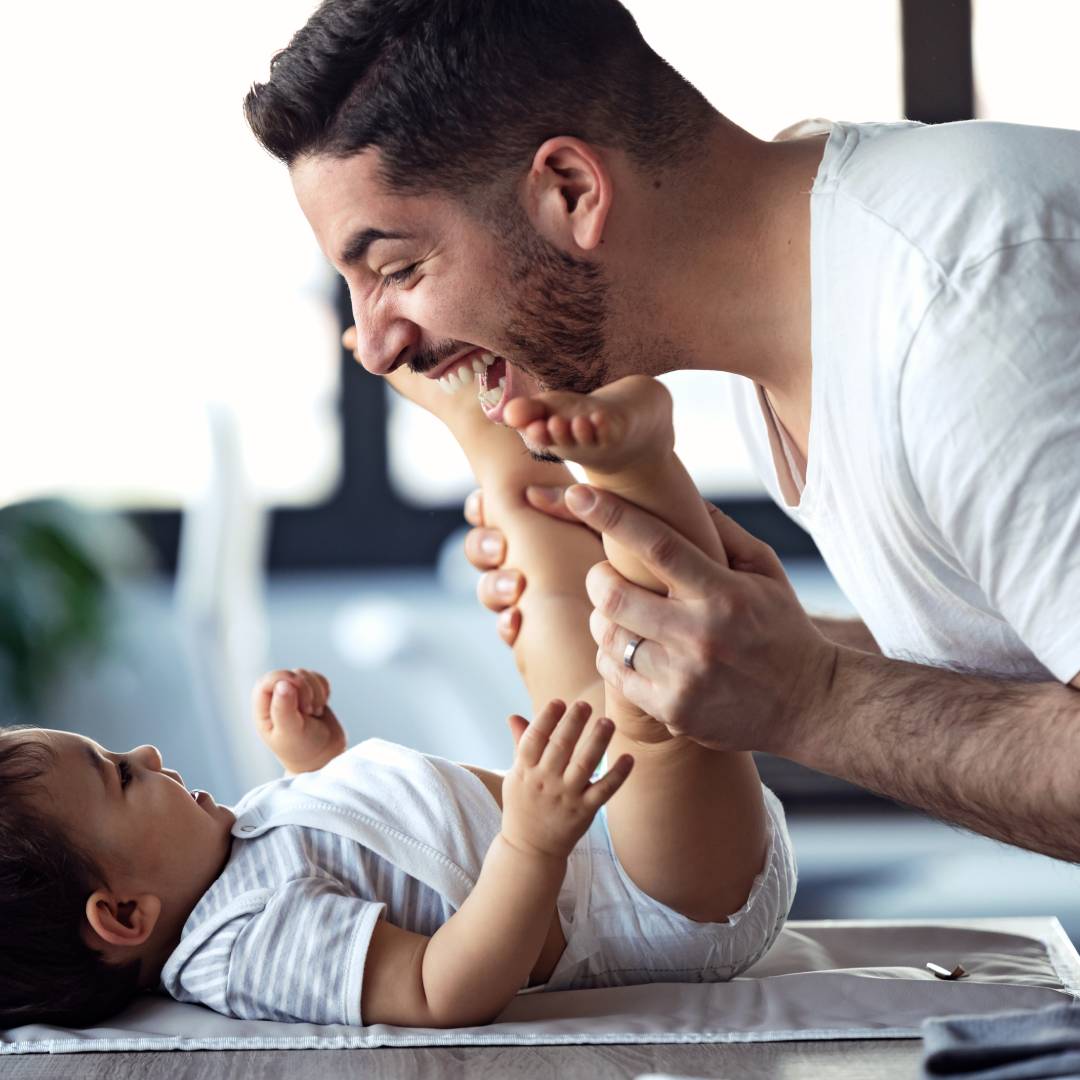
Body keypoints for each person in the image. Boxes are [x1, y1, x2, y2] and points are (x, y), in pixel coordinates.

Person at [244, 0, 1080, 861]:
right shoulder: (804, 301)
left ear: (570, 189)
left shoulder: (963, 301)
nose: (376, 348)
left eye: (399, 269)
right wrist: (737, 638)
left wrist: (810, 695)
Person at [0, 368, 795, 1030]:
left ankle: (501, 433)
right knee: (651, 695)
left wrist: (314, 762)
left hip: (608, 843)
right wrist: (532, 842)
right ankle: (639, 465)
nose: (146, 754)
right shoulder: (239, 944)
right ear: (125, 916)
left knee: (554, 613)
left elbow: (370, 858)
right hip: (656, 907)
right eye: (122, 776)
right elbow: (437, 988)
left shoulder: (230, 855)